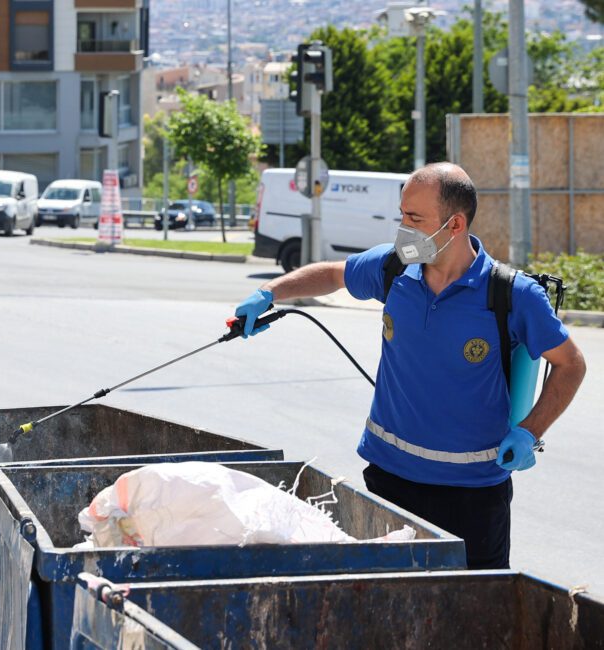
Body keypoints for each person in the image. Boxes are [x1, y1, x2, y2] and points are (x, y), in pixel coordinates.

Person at [233, 162, 586, 569]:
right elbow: (332, 275)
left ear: (454, 224)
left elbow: (571, 364)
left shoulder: (510, 294)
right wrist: (269, 292)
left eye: (414, 218)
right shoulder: (395, 268)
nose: (403, 226)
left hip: (472, 497)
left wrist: (529, 432)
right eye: (402, 214)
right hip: (387, 481)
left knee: (471, 614)